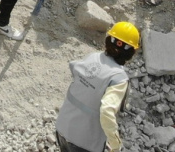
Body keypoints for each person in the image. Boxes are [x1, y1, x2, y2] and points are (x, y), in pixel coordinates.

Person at [54, 21, 140, 152]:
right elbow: (107, 111)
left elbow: (74, 67)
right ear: (130, 53)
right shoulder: (118, 78)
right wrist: (116, 144)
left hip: (63, 126)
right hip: (84, 142)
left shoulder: (93, 57)